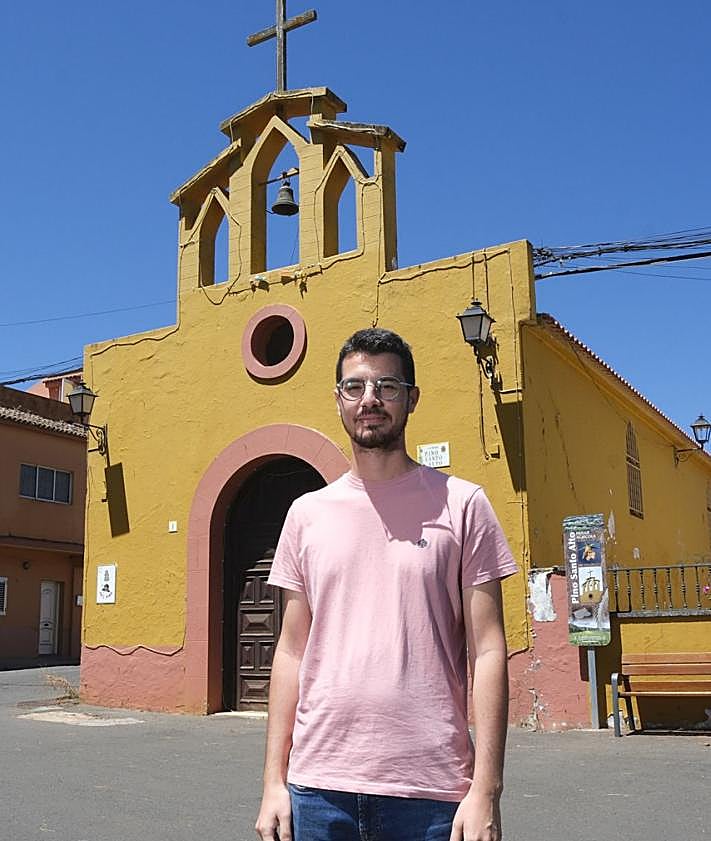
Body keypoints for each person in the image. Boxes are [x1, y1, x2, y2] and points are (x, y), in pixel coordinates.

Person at [255, 328, 518, 841]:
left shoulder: (464, 505)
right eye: (354, 387)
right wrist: (273, 782)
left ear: (412, 398)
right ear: (338, 401)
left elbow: (488, 650)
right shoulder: (305, 514)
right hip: (317, 789)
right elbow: (290, 651)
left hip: (433, 794)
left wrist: (485, 789)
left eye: (387, 386)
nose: (369, 399)